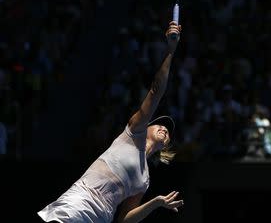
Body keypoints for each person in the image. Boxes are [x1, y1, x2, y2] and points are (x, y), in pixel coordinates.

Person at [38, 22, 184, 222]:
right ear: (147, 125)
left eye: (167, 131)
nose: (164, 129)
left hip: (102, 218)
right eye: (159, 124)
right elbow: (156, 91)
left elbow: (125, 219)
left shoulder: (144, 179)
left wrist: (156, 202)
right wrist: (170, 51)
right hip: (79, 204)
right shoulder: (134, 133)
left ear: (165, 146)